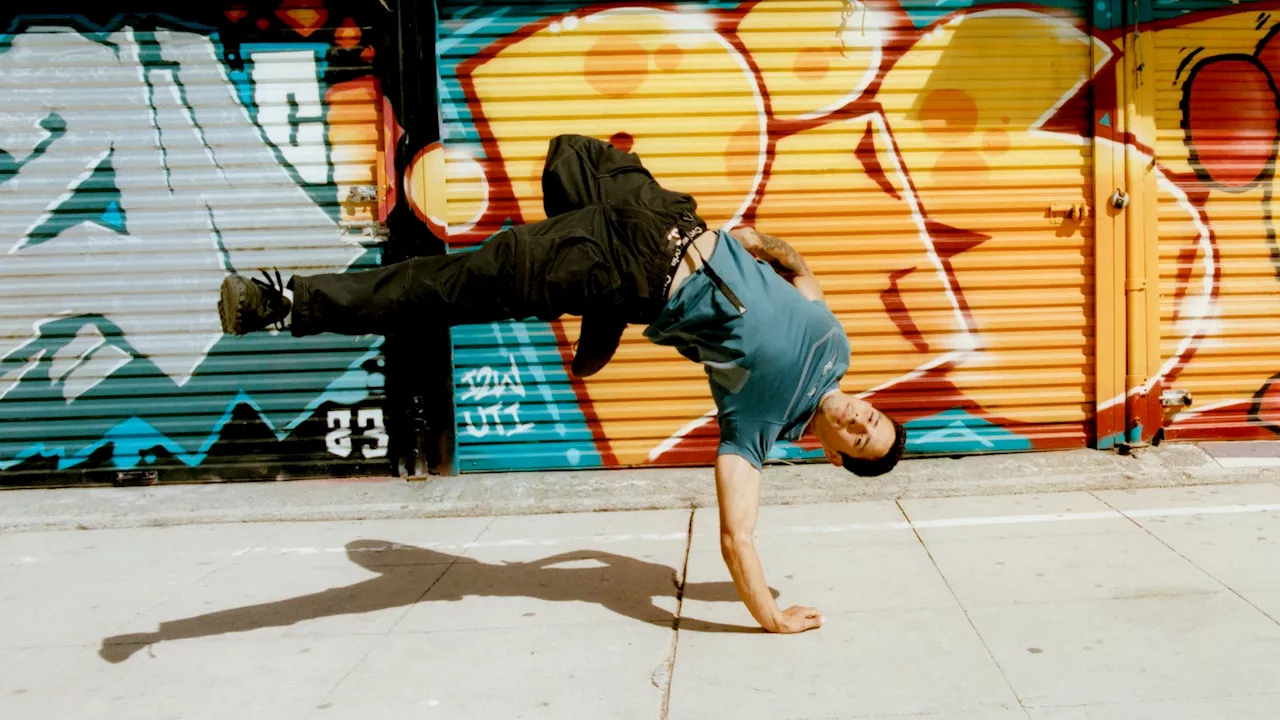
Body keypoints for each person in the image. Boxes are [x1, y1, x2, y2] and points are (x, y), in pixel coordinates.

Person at [218, 134, 908, 634]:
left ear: (832, 453)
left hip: (620, 270)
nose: (859, 421)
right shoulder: (836, 343)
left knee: (450, 287)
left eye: (858, 439)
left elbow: (739, 538)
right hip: (665, 214)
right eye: (873, 420)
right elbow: (802, 275)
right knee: (569, 153)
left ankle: (282, 304)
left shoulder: (756, 425)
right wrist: (759, 244)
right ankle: (601, 319)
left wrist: (772, 617)